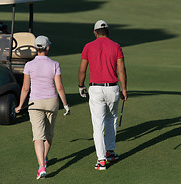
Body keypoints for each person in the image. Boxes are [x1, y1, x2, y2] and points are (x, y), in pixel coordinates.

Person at [15, 35, 70, 179]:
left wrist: (20, 105)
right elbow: (59, 86)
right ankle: (44, 159)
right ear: (47, 47)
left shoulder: (29, 65)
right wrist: (65, 104)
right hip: (52, 102)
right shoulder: (54, 64)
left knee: (38, 136)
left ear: (35, 48)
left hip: (35, 103)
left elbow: (25, 88)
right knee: (48, 135)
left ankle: (41, 166)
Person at [78, 20, 127, 171]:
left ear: (95, 32)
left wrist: (81, 85)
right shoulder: (116, 46)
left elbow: (82, 70)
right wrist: (124, 89)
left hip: (96, 89)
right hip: (113, 88)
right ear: (108, 32)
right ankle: (110, 152)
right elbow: (121, 70)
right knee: (112, 119)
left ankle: (101, 160)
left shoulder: (88, 46)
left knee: (98, 123)